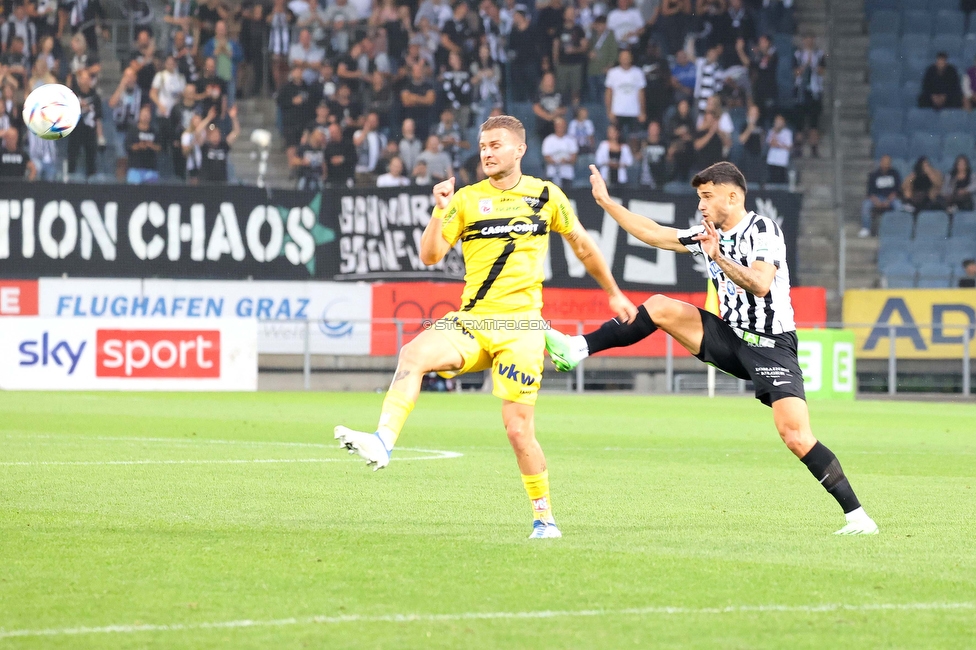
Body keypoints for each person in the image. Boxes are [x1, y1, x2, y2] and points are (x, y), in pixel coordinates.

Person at [334, 115, 638, 540]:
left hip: (522, 330)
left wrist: (613, 293)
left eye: (496, 145)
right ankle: (384, 441)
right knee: (413, 354)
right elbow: (430, 255)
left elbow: (584, 246)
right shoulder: (465, 199)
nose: (488, 153)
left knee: (517, 431)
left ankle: (545, 518)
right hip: (473, 322)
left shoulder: (546, 196)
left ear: (519, 150)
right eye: (482, 147)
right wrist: (439, 211)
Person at [544, 160, 879, 536]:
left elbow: (761, 284)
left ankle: (858, 518)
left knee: (796, 435)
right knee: (659, 307)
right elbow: (655, 234)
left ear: (732, 196)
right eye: (699, 197)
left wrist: (717, 255)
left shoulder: (763, 229)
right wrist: (607, 204)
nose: (701, 205)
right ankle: (578, 347)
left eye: (707, 196)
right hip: (729, 336)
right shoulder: (708, 233)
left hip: (771, 347)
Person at [793, 34, 825, 157]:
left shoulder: (819, 54)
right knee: (799, 123)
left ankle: (814, 149)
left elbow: (822, 71)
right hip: (801, 91)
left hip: (814, 91)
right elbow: (796, 72)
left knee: (814, 123)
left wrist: (814, 65)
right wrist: (805, 64)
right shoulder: (798, 54)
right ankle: (798, 148)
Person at [859, 155, 902, 238]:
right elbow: (870, 192)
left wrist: (888, 201)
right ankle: (866, 228)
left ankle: (896, 228)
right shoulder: (874, 175)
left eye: (888, 162)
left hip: (890, 198)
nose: (886, 164)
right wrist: (877, 202)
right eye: (884, 162)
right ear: (880, 163)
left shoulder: (895, 174)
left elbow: (896, 191)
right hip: (877, 198)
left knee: (898, 205)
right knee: (866, 205)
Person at [198, 105, 240, 183]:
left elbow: (236, 132)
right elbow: (198, 132)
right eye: (213, 134)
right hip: (206, 182)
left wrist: (234, 118)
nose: (215, 137)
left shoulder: (223, 145)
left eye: (217, 134)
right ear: (209, 136)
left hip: (221, 182)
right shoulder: (205, 146)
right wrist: (208, 118)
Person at [126, 105, 162, 184]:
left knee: (151, 193)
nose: (146, 117)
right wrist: (139, 146)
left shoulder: (154, 131)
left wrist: (151, 146)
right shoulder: (132, 131)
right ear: (139, 115)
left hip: (151, 168)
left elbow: (160, 147)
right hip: (135, 168)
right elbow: (128, 147)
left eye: (147, 115)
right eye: (144, 115)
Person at [542, 116, 579, 185]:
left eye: (562, 125)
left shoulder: (571, 140)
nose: (560, 127)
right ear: (555, 127)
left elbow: (574, 158)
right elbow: (546, 157)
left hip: (567, 175)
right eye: (558, 125)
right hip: (552, 174)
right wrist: (558, 161)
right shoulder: (548, 140)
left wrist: (566, 161)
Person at [595, 123, 634, 188]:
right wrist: (609, 163)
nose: (611, 134)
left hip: (621, 178)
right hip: (606, 177)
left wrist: (619, 164)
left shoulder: (624, 147)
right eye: (609, 132)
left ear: (617, 133)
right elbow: (598, 160)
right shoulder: (603, 145)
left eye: (613, 131)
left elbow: (630, 162)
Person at [639, 120, 668, 188]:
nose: (654, 131)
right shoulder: (644, 143)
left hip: (660, 176)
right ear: (648, 130)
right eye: (652, 129)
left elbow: (668, 159)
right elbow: (637, 158)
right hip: (646, 178)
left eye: (655, 129)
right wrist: (643, 149)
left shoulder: (664, 143)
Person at [765, 113, 792, 184]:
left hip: (782, 161)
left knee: (781, 180)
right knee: (771, 179)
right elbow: (770, 143)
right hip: (772, 160)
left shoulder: (787, 132)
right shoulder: (772, 131)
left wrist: (778, 145)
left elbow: (789, 146)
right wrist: (775, 132)